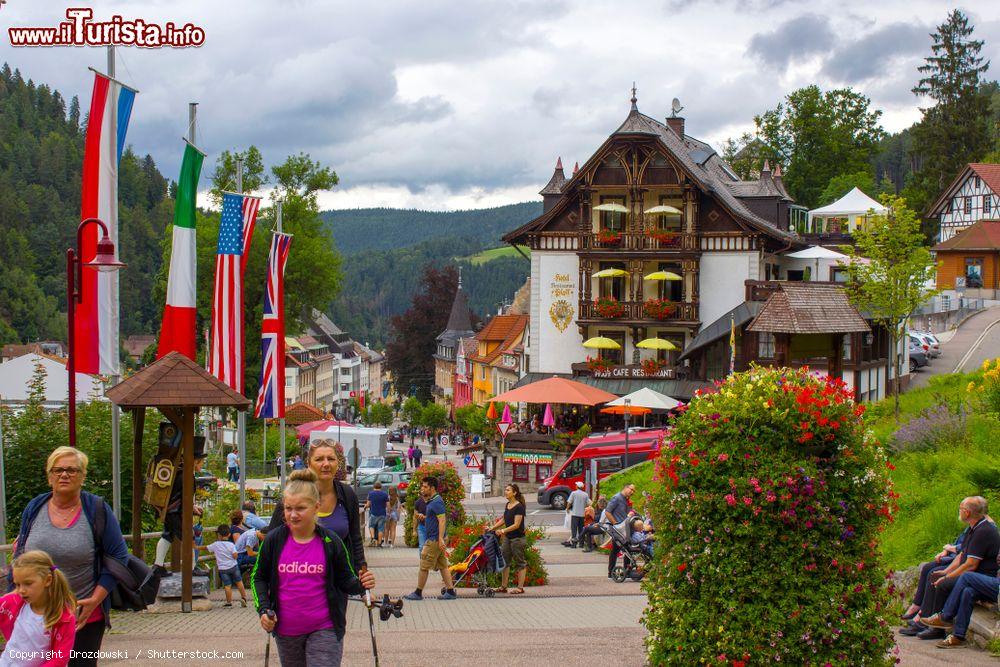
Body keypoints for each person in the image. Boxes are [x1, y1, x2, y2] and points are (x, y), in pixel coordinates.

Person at [11, 447, 130, 666]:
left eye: (72, 470)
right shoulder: (34, 507)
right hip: (36, 616)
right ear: (49, 477)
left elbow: (119, 557)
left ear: (83, 476)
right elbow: (20, 553)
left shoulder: (96, 509)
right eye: (58, 470)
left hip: (82, 617)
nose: (64, 475)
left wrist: (95, 600)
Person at [253, 469, 376, 666]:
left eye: (300, 508)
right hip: (286, 630)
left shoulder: (331, 541)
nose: (292, 515)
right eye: (288, 508)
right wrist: (263, 609)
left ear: (316, 507)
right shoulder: (274, 540)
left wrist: (362, 585)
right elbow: (258, 577)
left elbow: (346, 581)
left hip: (325, 628)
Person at [267, 440, 367, 627]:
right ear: (309, 463)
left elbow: (355, 538)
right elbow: (272, 540)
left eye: (331, 458)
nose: (326, 464)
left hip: (334, 583)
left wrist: (363, 578)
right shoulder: (295, 495)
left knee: (330, 638)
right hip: (295, 580)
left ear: (338, 463)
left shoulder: (346, 495)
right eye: (319, 459)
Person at [905, 497, 1000, 641]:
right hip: (976, 577)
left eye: (961, 508)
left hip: (981, 576)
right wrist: (945, 572)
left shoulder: (984, 530)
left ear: (967, 513)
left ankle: (941, 620)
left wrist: (946, 577)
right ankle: (951, 632)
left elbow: (970, 565)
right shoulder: (974, 528)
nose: (959, 511)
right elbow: (962, 555)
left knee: (945, 583)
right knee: (936, 575)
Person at [1, 550, 77, 667]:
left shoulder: (64, 619)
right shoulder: (12, 602)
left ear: (47, 580)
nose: (21, 590)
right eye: (17, 584)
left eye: (28, 583)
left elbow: (60, 659)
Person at [153, 445, 209, 579]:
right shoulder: (187, 475)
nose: (202, 464)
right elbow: (185, 497)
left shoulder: (179, 472)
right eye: (201, 461)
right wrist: (191, 508)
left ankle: (158, 566)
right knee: (190, 538)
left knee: (167, 536)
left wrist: (192, 507)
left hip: (168, 511)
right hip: (176, 513)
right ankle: (191, 568)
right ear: (195, 461)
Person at [899, 527, 970, 624]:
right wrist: (946, 551)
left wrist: (946, 571)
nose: (960, 511)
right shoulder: (970, 527)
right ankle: (916, 606)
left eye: (961, 510)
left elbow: (965, 552)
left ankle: (924, 615)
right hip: (952, 557)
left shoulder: (982, 528)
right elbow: (958, 544)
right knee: (927, 567)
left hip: (959, 564)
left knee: (934, 574)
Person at [404, 477, 456, 600]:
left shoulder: (437, 501)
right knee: (443, 566)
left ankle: (418, 593)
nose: (422, 488)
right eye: (422, 486)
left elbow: (442, 520)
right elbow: (435, 518)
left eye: (425, 486)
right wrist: (425, 517)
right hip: (435, 539)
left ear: (432, 488)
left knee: (423, 566)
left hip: (434, 540)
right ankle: (450, 591)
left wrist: (440, 539)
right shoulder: (432, 501)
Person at [488, 484, 528, 595]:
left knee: (520, 563)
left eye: (508, 490)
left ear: (514, 493)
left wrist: (503, 531)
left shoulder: (519, 506)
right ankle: (503, 587)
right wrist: (493, 527)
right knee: (505, 562)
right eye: (505, 489)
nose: (505, 491)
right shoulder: (508, 504)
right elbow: (504, 519)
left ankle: (520, 588)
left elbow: (516, 524)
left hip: (517, 539)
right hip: (508, 538)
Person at [201, 525, 248, 608]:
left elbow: (206, 547)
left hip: (223, 569)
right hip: (233, 566)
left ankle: (229, 602)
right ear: (229, 534)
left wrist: (196, 547)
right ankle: (244, 598)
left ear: (218, 535)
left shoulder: (215, 545)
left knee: (227, 585)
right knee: (239, 582)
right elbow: (235, 556)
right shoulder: (231, 545)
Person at [604, 484, 635, 579]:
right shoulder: (616, 498)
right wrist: (615, 523)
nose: (632, 492)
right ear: (626, 488)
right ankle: (611, 573)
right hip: (618, 529)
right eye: (631, 490)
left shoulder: (626, 500)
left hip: (624, 529)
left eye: (634, 491)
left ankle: (626, 570)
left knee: (627, 549)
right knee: (615, 550)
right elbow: (607, 511)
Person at [564, 482, 589, 548]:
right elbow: (587, 504)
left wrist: (567, 508)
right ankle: (581, 544)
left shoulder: (574, 493)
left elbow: (569, 502)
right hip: (582, 515)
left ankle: (574, 544)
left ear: (577, 486)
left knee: (574, 529)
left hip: (575, 514)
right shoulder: (585, 494)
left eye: (576, 485)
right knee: (581, 529)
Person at [364, 482, 389, 547]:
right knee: (381, 528)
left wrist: (365, 506)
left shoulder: (371, 494)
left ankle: (373, 537)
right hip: (382, 513)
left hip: (373, 513)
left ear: (374, 487)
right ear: (381, 487)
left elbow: (368, 504)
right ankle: (379, 543)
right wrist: (388, 512)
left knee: (371, 526)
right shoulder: (385, 494)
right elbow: (388, 505)